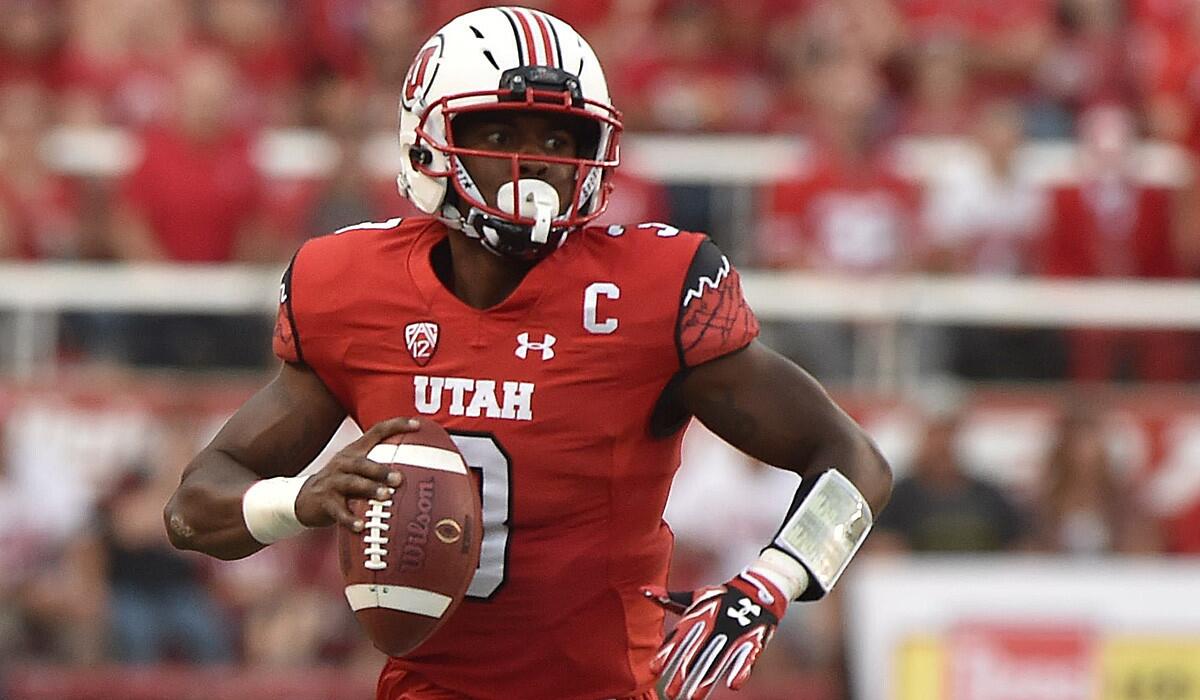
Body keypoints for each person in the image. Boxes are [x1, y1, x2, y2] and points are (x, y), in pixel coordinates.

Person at [163, 8, 892, 700]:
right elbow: (194, 508)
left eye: (556, 140)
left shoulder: (645, 293)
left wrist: (770, 584)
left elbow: (855, 458)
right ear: (428, 142)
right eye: (501, 133)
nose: (535, 163)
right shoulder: (353, 288)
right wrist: (302, 499)